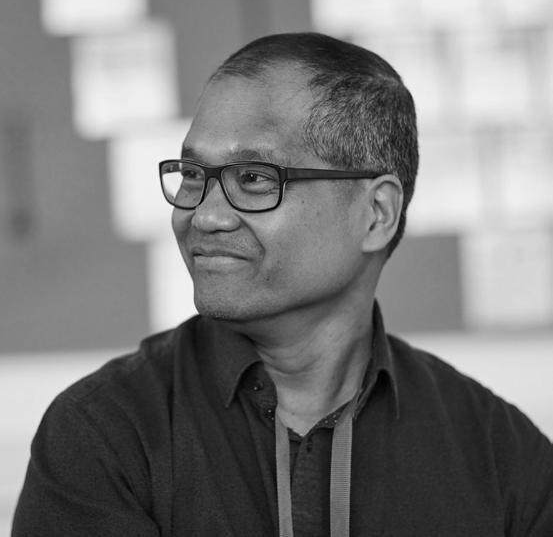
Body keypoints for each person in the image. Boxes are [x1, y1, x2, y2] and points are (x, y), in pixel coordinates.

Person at [12, 32, 553, 537]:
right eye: (194, 175)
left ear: (376, 213)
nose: (204, 216)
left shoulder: (501, 456)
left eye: (253, 178)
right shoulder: (105, 434)